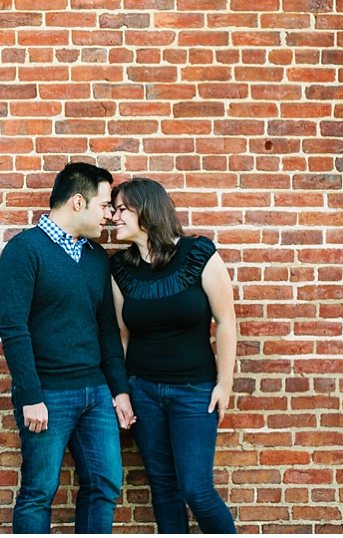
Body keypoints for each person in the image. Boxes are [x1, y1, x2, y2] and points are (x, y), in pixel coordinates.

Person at [0, 162, 136, 534]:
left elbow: (106, 329)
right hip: (47, 394)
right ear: (78, 202)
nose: (109, 216)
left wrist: (119, 390)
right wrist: (30, 395)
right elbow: (13, 329)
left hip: (95, 394)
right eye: (105, 205)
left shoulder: (94, 258)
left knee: (104, 484)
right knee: (40, 491)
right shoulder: (24, 251)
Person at [109, 177, 237, 534]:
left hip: (194, 391)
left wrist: (224, 384)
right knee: (163, 489)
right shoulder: (120, 269)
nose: (114, 218)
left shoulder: (199, 254)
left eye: (122, 210)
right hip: (143, 392)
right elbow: (122, 334)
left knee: (196, 489)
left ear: (147, 211)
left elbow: (226, 321)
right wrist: (121, 391)